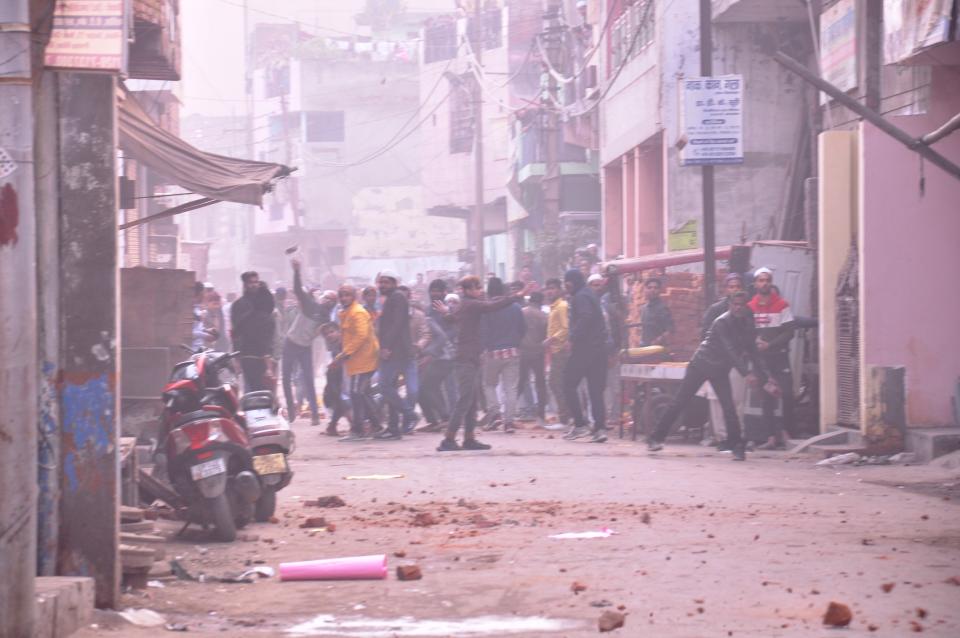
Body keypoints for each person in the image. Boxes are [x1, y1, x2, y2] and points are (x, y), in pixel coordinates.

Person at [647, 291, 767, 461]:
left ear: (746, 306)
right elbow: (730, 351)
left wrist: (766, 377)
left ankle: (737, 446)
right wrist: (746, 373)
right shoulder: (722, 322)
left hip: (720, 369)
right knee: (680, 402)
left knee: (728, 407)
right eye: (735, 305)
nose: (738, 308)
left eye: (742, 305)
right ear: (730, 305)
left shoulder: (748, 321)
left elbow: (753, 351)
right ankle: (656, 437)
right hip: (701, 364)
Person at [433, 276, 527, 451]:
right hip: (467, 358)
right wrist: (516, 296)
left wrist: (446, 312)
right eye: (477, 288)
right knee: (464, 401)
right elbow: (492, 306)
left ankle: (469, 439)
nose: (481, 291)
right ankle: (448, 439)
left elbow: (452, 319)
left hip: (470, 357)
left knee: (471, 401)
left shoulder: (465, 305)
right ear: (468, 290)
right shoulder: (471, 304)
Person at [700, 273, 752, 448]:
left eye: (737, 286)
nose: (734, 289)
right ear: (726, 289)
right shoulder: (716, 310)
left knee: (737, 401)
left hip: (737, 361)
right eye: (731, 286)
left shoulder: (746, 310)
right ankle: (722, 437)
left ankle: (738, 436)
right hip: (718, 361)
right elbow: (705, 334)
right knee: (717, 401)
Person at [280, 260, 334, 426]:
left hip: (301, 346)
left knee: (302, 379)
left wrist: (297, 271)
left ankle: (310, 414)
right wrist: (296, 271)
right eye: (328, 298)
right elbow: (298, 290)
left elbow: (328, 336)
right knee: (291, 378)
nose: (328, 301)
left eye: (332, 300)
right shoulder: (315, 308)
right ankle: (297, 411)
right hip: (293, 343)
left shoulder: (323, 314)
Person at [748, 267, 796, 450]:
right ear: (755, 284)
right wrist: (754, 342)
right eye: (760, 280)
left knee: (788, 394)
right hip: (761, 361)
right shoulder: (750, 307)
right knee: (766, 397)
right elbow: (745, 332)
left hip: (779, 358)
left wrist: (771, 344)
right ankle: (770, 437)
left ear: (771, 282)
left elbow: (790, 331)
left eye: (767, 280)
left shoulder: (782, 305)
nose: (764, 283)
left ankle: (787, 433)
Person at [562, 269, 610, 443]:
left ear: (571, 282)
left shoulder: (581, 297)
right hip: (599, 350)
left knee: (568, 383)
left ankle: (580, 424)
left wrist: (572, 338)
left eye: (566, 283)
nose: (565, 287)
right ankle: (600, 429)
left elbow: (585, 317)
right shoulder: (590, 295)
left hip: (585, 349)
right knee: (595, 391)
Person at [334, 284, 381, 442]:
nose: (344, 298)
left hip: (364, 360)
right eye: (342, 295)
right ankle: (375, 425)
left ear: (353, 296)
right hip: (356, 361)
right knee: (361, 393)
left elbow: (360, 337)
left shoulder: (357, 313)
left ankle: (358, 429)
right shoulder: (346, 313)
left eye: (347, 295)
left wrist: (345, 354)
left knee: (357, 393)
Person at [479, 278, 525, 433]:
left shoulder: (486, 309)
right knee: (510, 388)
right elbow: (522, 329)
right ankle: (509, 422)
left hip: (493, 353)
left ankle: (495, 413)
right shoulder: (516, 307)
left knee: (489, 384)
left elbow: (483, 332)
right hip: (512, 352)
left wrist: (483, 349)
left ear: (489, 292)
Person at [376, 270, 416, 439]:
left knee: (384, 385)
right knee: (389, 387)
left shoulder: (398, 297)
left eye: (386, 282)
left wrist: (386, 347)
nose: (382, 285)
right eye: (381, 282)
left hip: (396, 351)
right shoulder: (390, 298)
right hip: (394, 349)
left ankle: (409, 413)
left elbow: (397, 324)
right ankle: (393, 428)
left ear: (394, 283)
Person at [230, 271, 276, 392]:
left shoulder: (264, 303)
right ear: (245, 284)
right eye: (251, 282)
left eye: (256, 282)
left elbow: (268, 331)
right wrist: (237, 359)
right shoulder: (238, 305)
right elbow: (236, 333)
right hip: (248, 354)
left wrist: (270, 354)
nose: (254, 285)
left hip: (266, 354)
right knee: (251, 390)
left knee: (267, 391)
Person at [543, 278, 570, 430]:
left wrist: (551, 339)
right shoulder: (554, 307)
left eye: (552, 288)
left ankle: (565, 418)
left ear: (559, 290)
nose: (549, 291)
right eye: (547, 289)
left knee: (556, 383)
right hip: (555, 351)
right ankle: (566, 417)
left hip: (561, 351)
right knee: (556, 383)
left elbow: (566, 329)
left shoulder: (561, 306)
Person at [518, 290, 548, 426]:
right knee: (540, 384)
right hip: (537, 352)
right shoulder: (543, 316)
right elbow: (545, 335)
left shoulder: (521, 312)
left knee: (519, 383)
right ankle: (541, 415)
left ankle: (508, 413)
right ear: (541, 302)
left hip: (522, 352)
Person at [319, 322, 348, 436]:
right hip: (335, 379)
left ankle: (333, 426)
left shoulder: (342, 344)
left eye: (331, 332)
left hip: (343, 378)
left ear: (339, 331)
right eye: (326, 334)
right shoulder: (334, 345)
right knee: (337, 400)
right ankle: (332, 426)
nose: (329, 335)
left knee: (340, 401)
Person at [639, 277, 673, 347]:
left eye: (655, 288)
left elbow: (670, 330)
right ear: (645, 290)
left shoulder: (662, 308)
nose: (652, 290)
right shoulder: (644, 308)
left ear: (659, 290)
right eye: (649, 287)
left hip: (657, 348)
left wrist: (657, 341)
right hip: (645, 346)